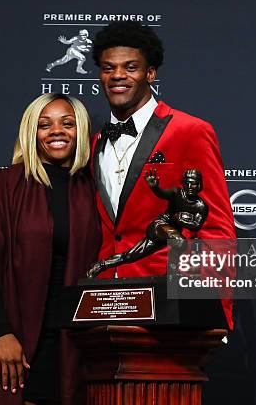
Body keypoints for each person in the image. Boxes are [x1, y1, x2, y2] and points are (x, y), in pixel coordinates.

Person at [90, 21, 236, 329]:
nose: (118, 75)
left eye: (130, 67)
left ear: (150, 73)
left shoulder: (189, 131)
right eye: (108, 68)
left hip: (170, 304)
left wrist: (214, 316)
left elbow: (216, 229)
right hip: (105, 307)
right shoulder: (95, 141)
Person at [0, 93, 101, 405]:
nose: (57, 131)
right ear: (30, 133)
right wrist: (2, 332)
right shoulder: (5, 185)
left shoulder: (93, 188)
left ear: (82, 132)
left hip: (75, 341)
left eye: (68, 123)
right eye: (44, 125)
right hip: (16, 334)